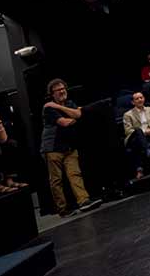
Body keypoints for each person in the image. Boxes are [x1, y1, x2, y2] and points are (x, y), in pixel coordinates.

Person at [40, 79, 99, 216]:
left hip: (69, 147)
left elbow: (78, 114)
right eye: (58, 90)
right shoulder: (48, 108)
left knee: (75, 174)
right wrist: (75, 114)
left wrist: (61, 108)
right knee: (56, 180)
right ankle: (62, 209)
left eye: (63, 88)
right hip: (53, 147)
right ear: (52, 94)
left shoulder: (68, 104)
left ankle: (83, 201)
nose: (62, 91)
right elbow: (65, 122)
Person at [123, 91, 150, 179]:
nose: (139, 100)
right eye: (137, 99)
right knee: (138, 131)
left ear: (144, 99)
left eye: (141, 98)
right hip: (134, 138)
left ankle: (139, 169)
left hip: (148, 138)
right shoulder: (128, 115)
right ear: (133, 102)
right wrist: (144, 131)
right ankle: (147, 149)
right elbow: (128, 130)